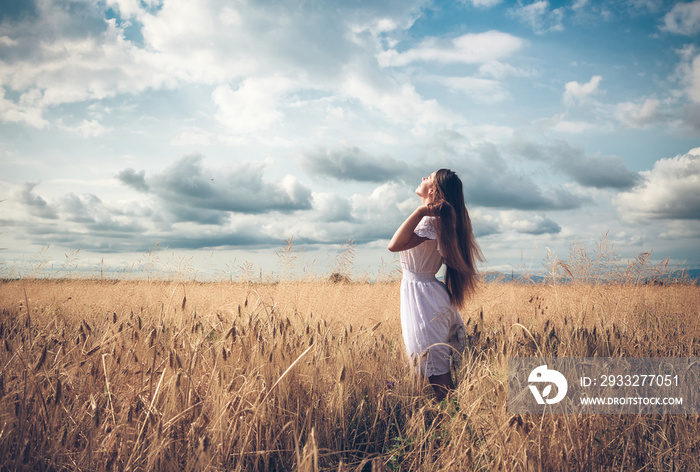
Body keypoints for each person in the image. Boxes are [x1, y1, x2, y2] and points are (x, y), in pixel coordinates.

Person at [388, 169, 483, 401]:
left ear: (433, 190)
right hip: (425, 294)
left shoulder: (430, 222)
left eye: (427, 178)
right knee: (437, 372)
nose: (422, 178)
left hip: (424, 300)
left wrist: (421, 210)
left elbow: (393, 245)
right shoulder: (434, 222)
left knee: (438, 376)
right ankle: (453, 424)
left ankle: (453, 427)